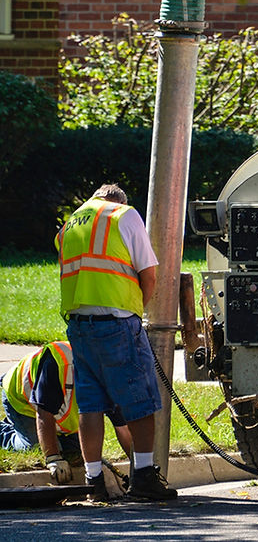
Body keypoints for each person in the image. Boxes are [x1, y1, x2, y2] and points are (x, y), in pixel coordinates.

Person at [56, 183, 177, 501]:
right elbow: (148, 273)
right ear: (117, 199)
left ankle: (94, 482)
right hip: (118, 323)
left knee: (91, 404)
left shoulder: (68, 226)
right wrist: (137, 311)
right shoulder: (124, 215)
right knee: (140, 400)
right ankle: (144, 479)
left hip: (79, 327)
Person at [0, 341, 133, 485]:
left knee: (77, 448)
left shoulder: (109, 377)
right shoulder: (59, 363)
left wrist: (138, 467)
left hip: (55, 411)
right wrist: (53, 458)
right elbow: (44, 414)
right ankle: (4, 431)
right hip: (23, 401)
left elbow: (122, 427)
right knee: (36, 447)